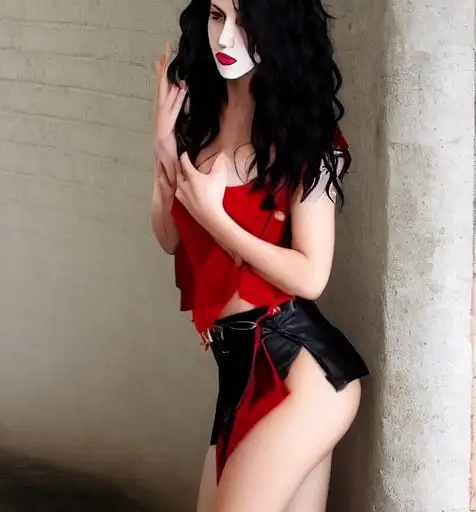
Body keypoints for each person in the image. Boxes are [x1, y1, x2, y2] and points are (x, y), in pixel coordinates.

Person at [151, 0, 369, 510]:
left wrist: (216, 219)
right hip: (238, 373)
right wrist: (162, 152)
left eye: (244, 20)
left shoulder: (303, 135)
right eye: (216, 16)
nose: (226, 38)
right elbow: (169, 237)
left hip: (299, 373)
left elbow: (311, 275)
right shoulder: (198, 124)